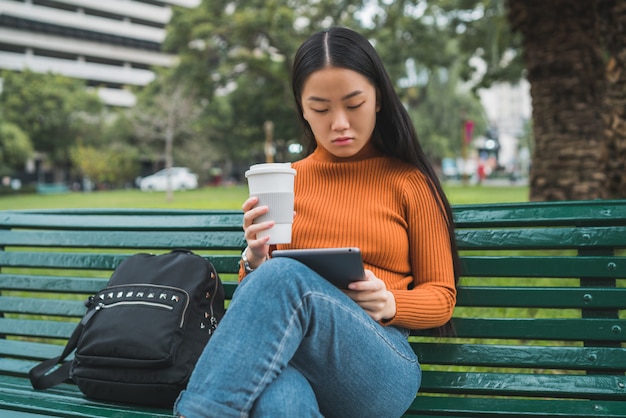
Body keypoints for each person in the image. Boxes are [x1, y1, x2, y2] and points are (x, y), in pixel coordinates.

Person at [174, 26, 459, 418]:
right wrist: (255, 261)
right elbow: (257, 314)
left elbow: (442, 297)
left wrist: (391, 302)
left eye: (354, 104)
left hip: (380, 363)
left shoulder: (408, 182)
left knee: (286, 278)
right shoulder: (285, 181)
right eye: (321, 109)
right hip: (293, 356)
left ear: (378, 99)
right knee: (280, 399)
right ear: (303, 109)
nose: (339, 123)